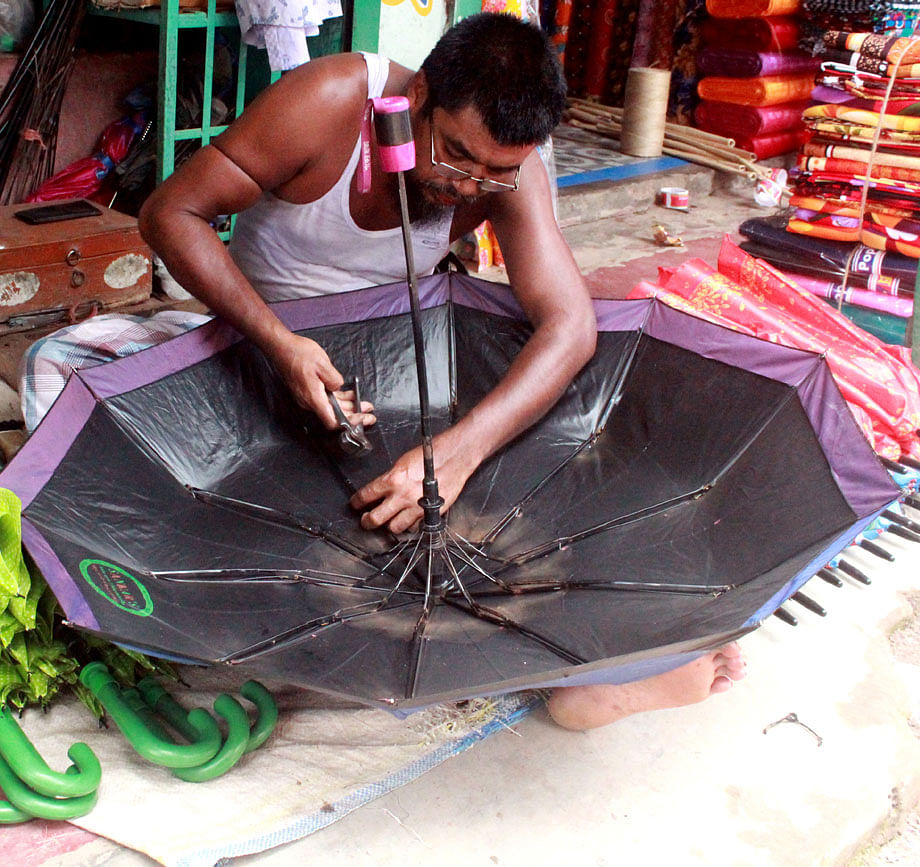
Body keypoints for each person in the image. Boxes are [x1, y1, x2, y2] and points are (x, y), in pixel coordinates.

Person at [139, 12, 745, 728]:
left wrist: (457, 452)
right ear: (419, 95)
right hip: (258, 347)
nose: (470, 187)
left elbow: (571, 325)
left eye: (497, 171)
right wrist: (279, 342)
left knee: (555, 418)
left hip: (390, 378)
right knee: (67, 370)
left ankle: (612, 666)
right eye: (458, 156)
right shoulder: (329, 102)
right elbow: (170, 212)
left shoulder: (505, 172)